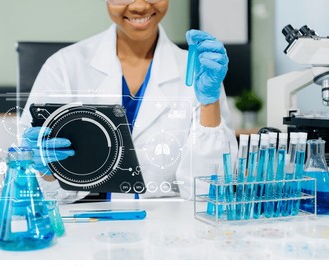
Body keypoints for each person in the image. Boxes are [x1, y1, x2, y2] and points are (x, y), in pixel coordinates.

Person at [19, 0, 238, 202]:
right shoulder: (64, 67)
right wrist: (44, 171)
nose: (140, 6)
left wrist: (210, 102)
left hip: (166, 230)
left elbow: (209, 191)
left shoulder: (198, 72)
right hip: (83, 226)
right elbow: (26, 185)